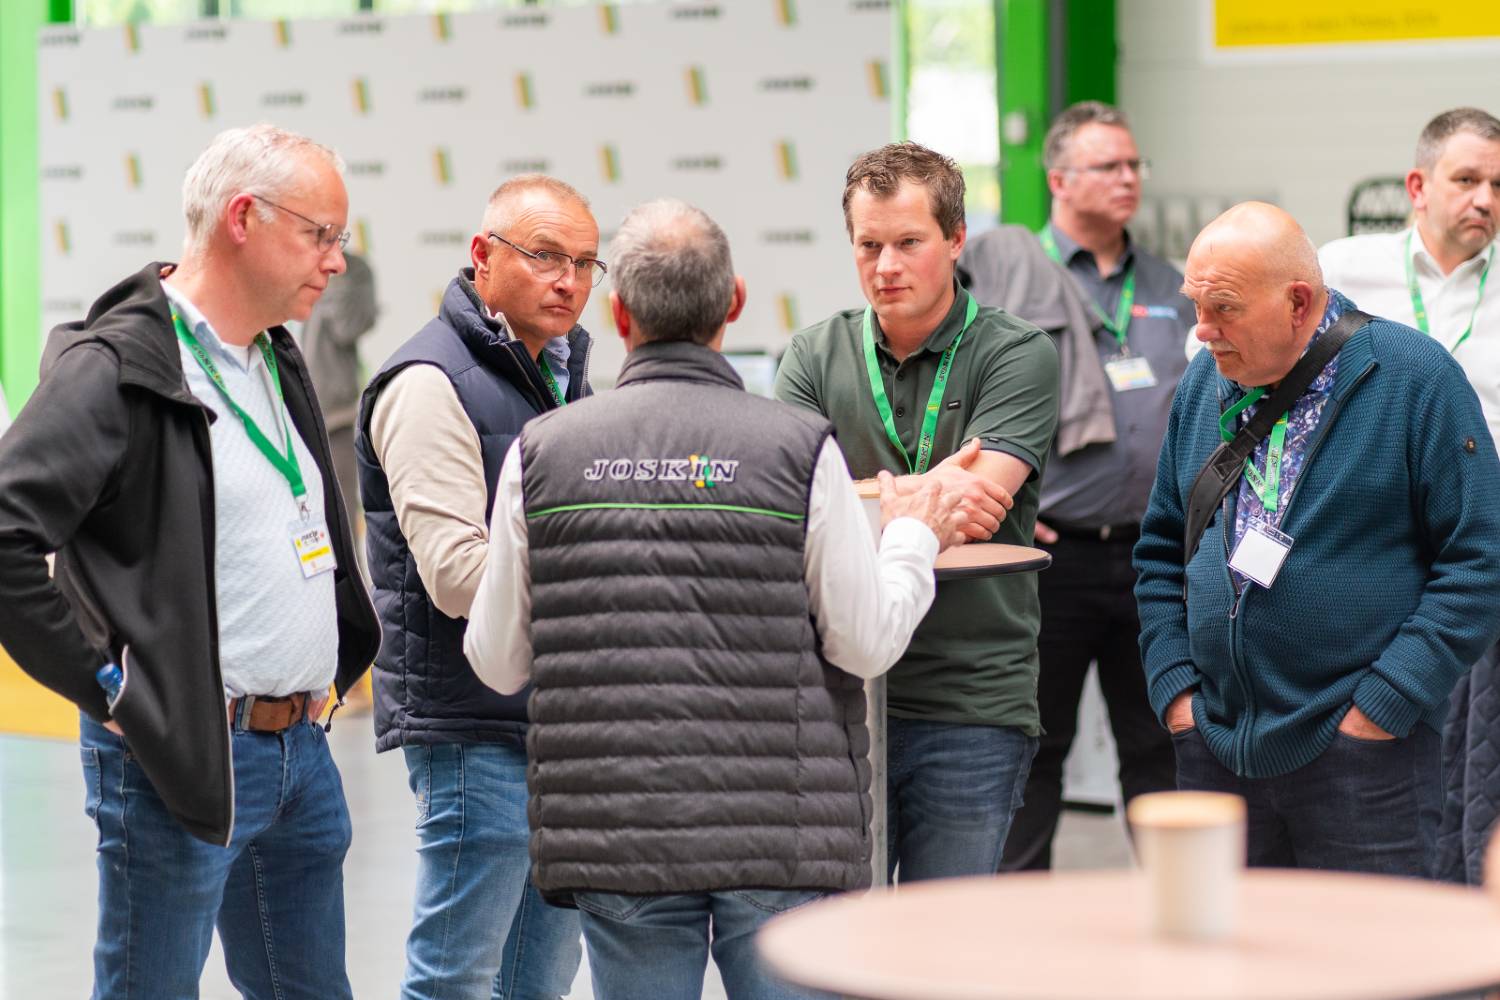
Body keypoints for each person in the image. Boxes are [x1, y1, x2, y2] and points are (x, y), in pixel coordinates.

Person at [463, 197, 965, 1000]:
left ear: (618, 314)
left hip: (619, 838)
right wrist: (912, 538)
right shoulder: (798, 449)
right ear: (734, 301)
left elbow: (496, 662)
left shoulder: (543, 453)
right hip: (779, 839)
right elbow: (865, 642)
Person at [0, 124, 379, 997]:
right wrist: (107, 688)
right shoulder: (115, 370)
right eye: (319, 235)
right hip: (177, 755)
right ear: (243, 218)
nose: (336, 262)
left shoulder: (273, 355)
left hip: (301, 753)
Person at [1135, 201, 1500, 875]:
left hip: (1365, 759)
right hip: (1216, 747)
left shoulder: (1413, 379)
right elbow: (1160, 547)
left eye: (1223, 308)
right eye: (1195, 305)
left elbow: (1479, 562)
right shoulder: (1205, 380)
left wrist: (1384, 706)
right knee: (1226, 944)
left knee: (1370, 945)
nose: (1202, 330)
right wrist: (1176, 691)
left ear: (1298, 303)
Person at [776, 141, 1060, 882]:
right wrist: (918, 502)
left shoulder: (1017, 353)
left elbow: (977, 507)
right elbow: (794, 512)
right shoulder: (813, 355)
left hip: (971, 697)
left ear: (956, 238)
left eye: (909, 243)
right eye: (868, 246)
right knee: (839, 935)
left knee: (945, 938)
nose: (886, 266)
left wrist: (854, 499)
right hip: (840, 694)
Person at [354, 175, 597, 999]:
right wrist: (605, 574)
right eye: (546, 256)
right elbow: (459, 577)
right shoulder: (429, 382)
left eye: (585, 263)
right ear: (483, 256)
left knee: (539, 982)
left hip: (555, 723)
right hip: (471, 726)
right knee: (454, 980)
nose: (568, 280)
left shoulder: (560, 371)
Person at [978, 101, 1189, 871]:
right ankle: (1019, 927)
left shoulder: (1173, 284)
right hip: (1051, 560)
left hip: (1154, 560)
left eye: (1135, 164)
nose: (1129, 178)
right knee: (1034, 751)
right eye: (1109, 166)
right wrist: (1003, 505)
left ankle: (1183, 912)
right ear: (1059, 179)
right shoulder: (1007, 280)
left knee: (1161, 746)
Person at [1318, 109, 1500, 884]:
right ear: (1418, 187)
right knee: (1366, 752)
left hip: (1476, 559)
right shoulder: (1342, 269)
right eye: (1467, 179)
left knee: (1470, 758)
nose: (1485, 199)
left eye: (1499, 185)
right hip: (1370, 551)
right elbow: (1234, 357)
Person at [299, 249, 378, 536]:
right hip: (300, 413)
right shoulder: (300, 262)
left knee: (340, 515)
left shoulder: (353, 270)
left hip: (336, 417)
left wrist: (334, 277)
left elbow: (347, 326)